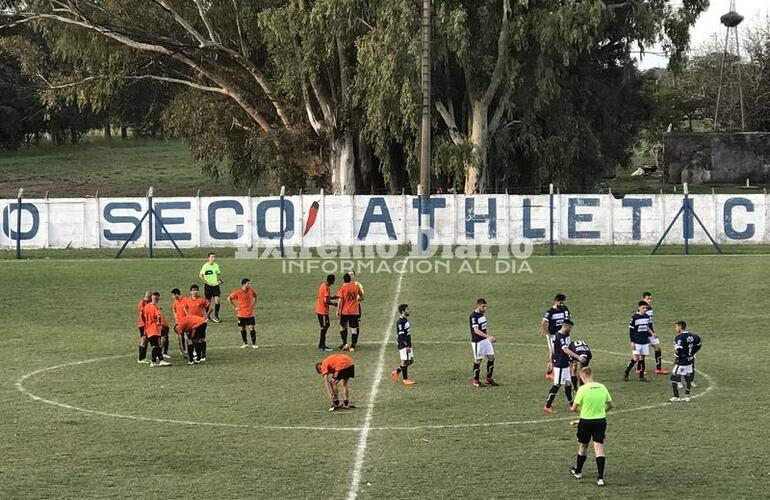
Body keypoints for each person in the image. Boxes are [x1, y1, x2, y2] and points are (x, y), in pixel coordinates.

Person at [569, 367, 613, 486]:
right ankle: (600, 478)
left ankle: (578, 472)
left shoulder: (582, 389)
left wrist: (585, 411)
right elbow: (610, 405)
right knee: (599, 448)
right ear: (591, 375)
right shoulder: (602, 387)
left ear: (582, 377)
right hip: (600, 421)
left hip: (585, 422)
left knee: (583, 446)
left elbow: (573, 408)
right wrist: (600, 411)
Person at [544, 319, 585, 413]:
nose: (570, 330)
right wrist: (578, 357)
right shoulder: (560, 337)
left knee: (568, 384)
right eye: (570, 328)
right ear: (565, 326)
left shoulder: (561, 335)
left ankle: (572, 406)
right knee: (557, 385)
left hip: (564, 363)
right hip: (560, 364)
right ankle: (547, 406)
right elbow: (565, 350)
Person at [669, 321, 702, 402]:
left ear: (680, 327)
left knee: (673, 377)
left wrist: (676, 359)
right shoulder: (692, 335)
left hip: (682, 361)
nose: (675, 328)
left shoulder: (680, 337)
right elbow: (699, 343)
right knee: (687, 377)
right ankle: (687, 396)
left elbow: (679, 350)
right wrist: (692, 353)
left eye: (676, 327)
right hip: (690, 360)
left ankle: (676, 397)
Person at [541, 294, 571, 380]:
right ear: (556, 301)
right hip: (554, 336)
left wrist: (567, 330)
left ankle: (564, 369)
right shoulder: (550, 312)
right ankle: (549, 372)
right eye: (561, 302)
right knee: (553, 353)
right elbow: (543, 322)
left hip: (565, 335)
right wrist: (548, 333)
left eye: (563, 302)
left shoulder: (565, 309)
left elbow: (569, 318)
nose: (562, 304)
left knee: (566, 351)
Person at [470, 298, 497, 387]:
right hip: (478, 341)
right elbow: (476, 331)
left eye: (485, 307)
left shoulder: (481, 314)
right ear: (478, 305)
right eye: (483, 306)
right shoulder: (474, 316)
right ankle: (475, 380)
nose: (484, 308)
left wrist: (486, 337)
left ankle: (488, 379)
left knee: (491, 357)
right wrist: (488, 337)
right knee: (478, 360)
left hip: (484, 340)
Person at [642, 292, 669, 375]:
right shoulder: (642, 309)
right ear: (643, 299)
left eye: (650, 299)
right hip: (644, 333)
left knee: (657, 348)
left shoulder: (650, 308)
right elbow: (643, 323)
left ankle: (658, 369)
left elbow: (649, 322)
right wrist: (652, 332)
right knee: (643, 352)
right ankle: (640, 369)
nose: (650, 300)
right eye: (648, 299)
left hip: (650, 332)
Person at [624, 301, 652, 382]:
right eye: (643, 308)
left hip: (645, 341)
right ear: (639, 308)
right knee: (635, 358)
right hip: (637, 342)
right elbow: (631, 331)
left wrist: (652, 334)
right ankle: (626, 372)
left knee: (642, 358)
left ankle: (641, 376)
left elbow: (647, 327)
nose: (645, 309)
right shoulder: (634, 318)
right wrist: (632, 342)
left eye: (646, 308)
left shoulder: (647, 317)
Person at [228, 278, 258, 348]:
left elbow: (255, 297)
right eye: (248, 283)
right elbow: (229, 298)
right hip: (241, 314)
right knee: (242, 328)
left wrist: (252, 305)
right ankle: (245, 343)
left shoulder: (251, 290)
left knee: (252, 327)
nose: (249, 285)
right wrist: (235, 307)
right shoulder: (237, 292)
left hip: (250, 314)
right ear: (244, 284)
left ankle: (254, 344)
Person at [143, 292, 171, 367]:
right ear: (157, 299)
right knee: (156, 345)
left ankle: (158, 361)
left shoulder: (146, 306)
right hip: (154, 328)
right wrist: (159, 323)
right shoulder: (155, 307)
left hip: (148, 328)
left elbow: (143, 316)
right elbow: (158, 316)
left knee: (155, 345)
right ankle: (154, 361)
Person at [390, 304, 415, 385]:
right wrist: (406, 345)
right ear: (403, 311)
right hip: (403, 344)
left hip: (408, 343)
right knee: (405, 361)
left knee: (411, 361)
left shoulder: (405, 320)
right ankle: (405, 379)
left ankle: (396, 371)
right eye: (407, 309)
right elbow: (401, 335)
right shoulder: (400, 322)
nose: (409, 311)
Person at [336, 273, 360, 352]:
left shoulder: (342, 288)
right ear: (350, 279)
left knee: (342, 327)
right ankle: (353, 346)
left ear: (343, 280)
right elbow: (358, 296)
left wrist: (338, 311)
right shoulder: (355, 287)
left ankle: (345, 343)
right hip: (354, 311)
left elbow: (340, 300)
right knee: (354, 329)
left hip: (345, 311)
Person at [315, 274, 337, 352]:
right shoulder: (326, 288)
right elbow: (325, 301)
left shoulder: (323, 285)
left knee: (325, 326)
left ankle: (322, 344)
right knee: (324, 327)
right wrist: (334, 304)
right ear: (332, 280)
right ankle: (322, 346)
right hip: (322, 311)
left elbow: (325, 297)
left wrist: (334, 297)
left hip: (320, 310)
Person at [199, 252, 222, 323]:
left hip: (215, 285)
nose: (213, 258)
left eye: (214, 257)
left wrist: (219, 281)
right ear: (208, 258)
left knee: (217, 300)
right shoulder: (205, 266)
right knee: (208, 302)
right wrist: (205, 281)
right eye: (212, 257)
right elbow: (200, 275)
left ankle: (216, 315)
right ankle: (208, 316)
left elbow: (218, 274)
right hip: (208, 286)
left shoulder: (216, 265)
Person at [170, 288, 190, 358]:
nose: (172, 297)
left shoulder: (186, 299)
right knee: (180, 337)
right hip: (179, 323)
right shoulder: (175, 302)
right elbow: (174, 309)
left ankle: (189, 350)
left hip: (186, 322)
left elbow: (189, 309)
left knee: (187, 337)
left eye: (173, 295)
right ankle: (183, 350)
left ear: (176, 294)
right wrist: (176, 319)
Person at [136, 291, 151, 363]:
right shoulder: (142, 303)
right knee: (144, 339)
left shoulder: (148, 302)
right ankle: (141, 358)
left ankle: (143, 357)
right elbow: (141, 314)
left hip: (146, 324)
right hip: (142, 325)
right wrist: (145, 323)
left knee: (146, 340)